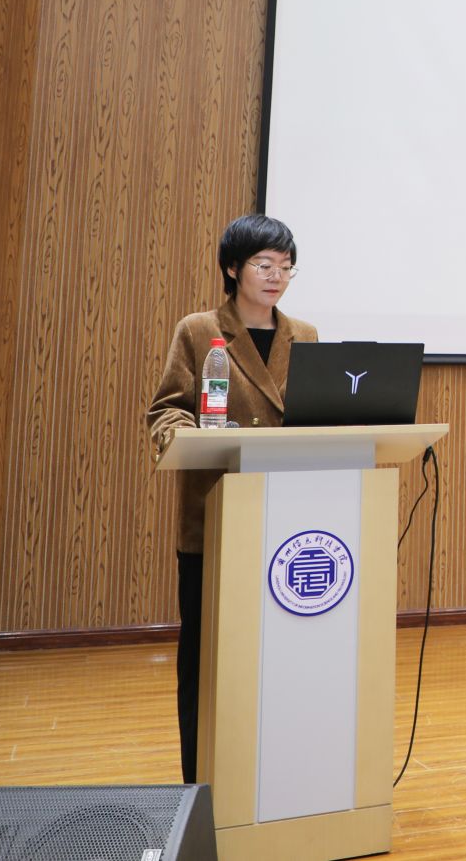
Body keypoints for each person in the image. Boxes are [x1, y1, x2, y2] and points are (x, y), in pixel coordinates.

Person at [145, 213, 318, 784]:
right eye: (264, 265)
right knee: (207, 661)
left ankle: (273, 773)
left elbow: (316, 416)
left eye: (286, 267)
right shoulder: (200, 331)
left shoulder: (305, 336)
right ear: (232, 268)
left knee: (279, 657)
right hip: (216, 519)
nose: (276, 277)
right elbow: (167, 409)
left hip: (288, 523)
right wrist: (187, 435)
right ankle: (201, 782)